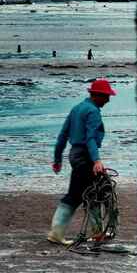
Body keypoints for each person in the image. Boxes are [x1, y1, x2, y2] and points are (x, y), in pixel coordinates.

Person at [47, 79, 116, 245]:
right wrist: (96, 160)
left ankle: (98, 233)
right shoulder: (93, 111)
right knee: (76, 195)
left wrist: (57, 160)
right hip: (85, 156)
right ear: (97, 95)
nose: (108, 99)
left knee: (92, 194)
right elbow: (90, 138)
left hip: (75, 155)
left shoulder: (76, 109)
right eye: (106, 96)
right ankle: (56, 234)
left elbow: (62, 136)